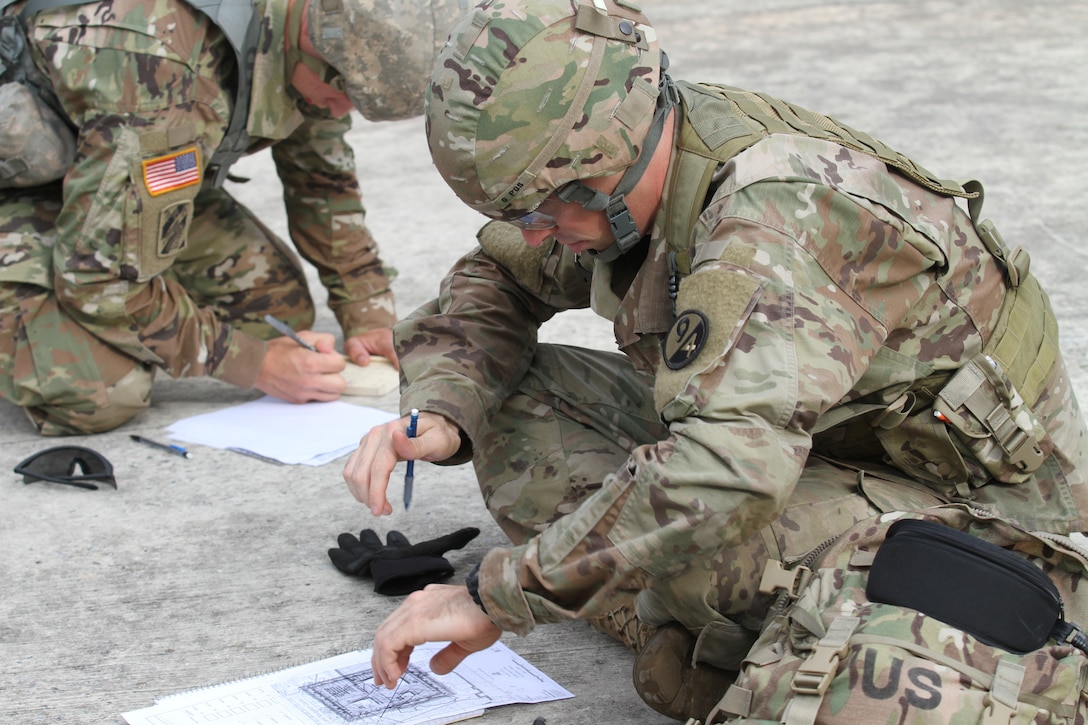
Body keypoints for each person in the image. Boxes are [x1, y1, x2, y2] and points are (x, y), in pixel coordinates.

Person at [342, 0, 1088, 720]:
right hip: (814, 441)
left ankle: (718, 631)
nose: (533, 236)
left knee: (698, 548)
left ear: (602, 161)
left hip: (977, 512)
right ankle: (697, 617)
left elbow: (728, 474)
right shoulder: (644, 159)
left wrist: (492, 595)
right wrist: (444, 408)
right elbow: (496, 274)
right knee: (507, 405)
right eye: (516, 215)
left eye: (541, 211)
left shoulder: (773, 219)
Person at [0, 0, 466, 435]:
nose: (345, 110)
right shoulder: (167, 69)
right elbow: (98, 278)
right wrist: (256, 365)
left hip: (112, 173)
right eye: (347, 95)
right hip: (24, 188)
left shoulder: (320, 42)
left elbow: (322, 182)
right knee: (99, 390)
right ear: (312, 47)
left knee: (273, 310)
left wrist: (367, 312)